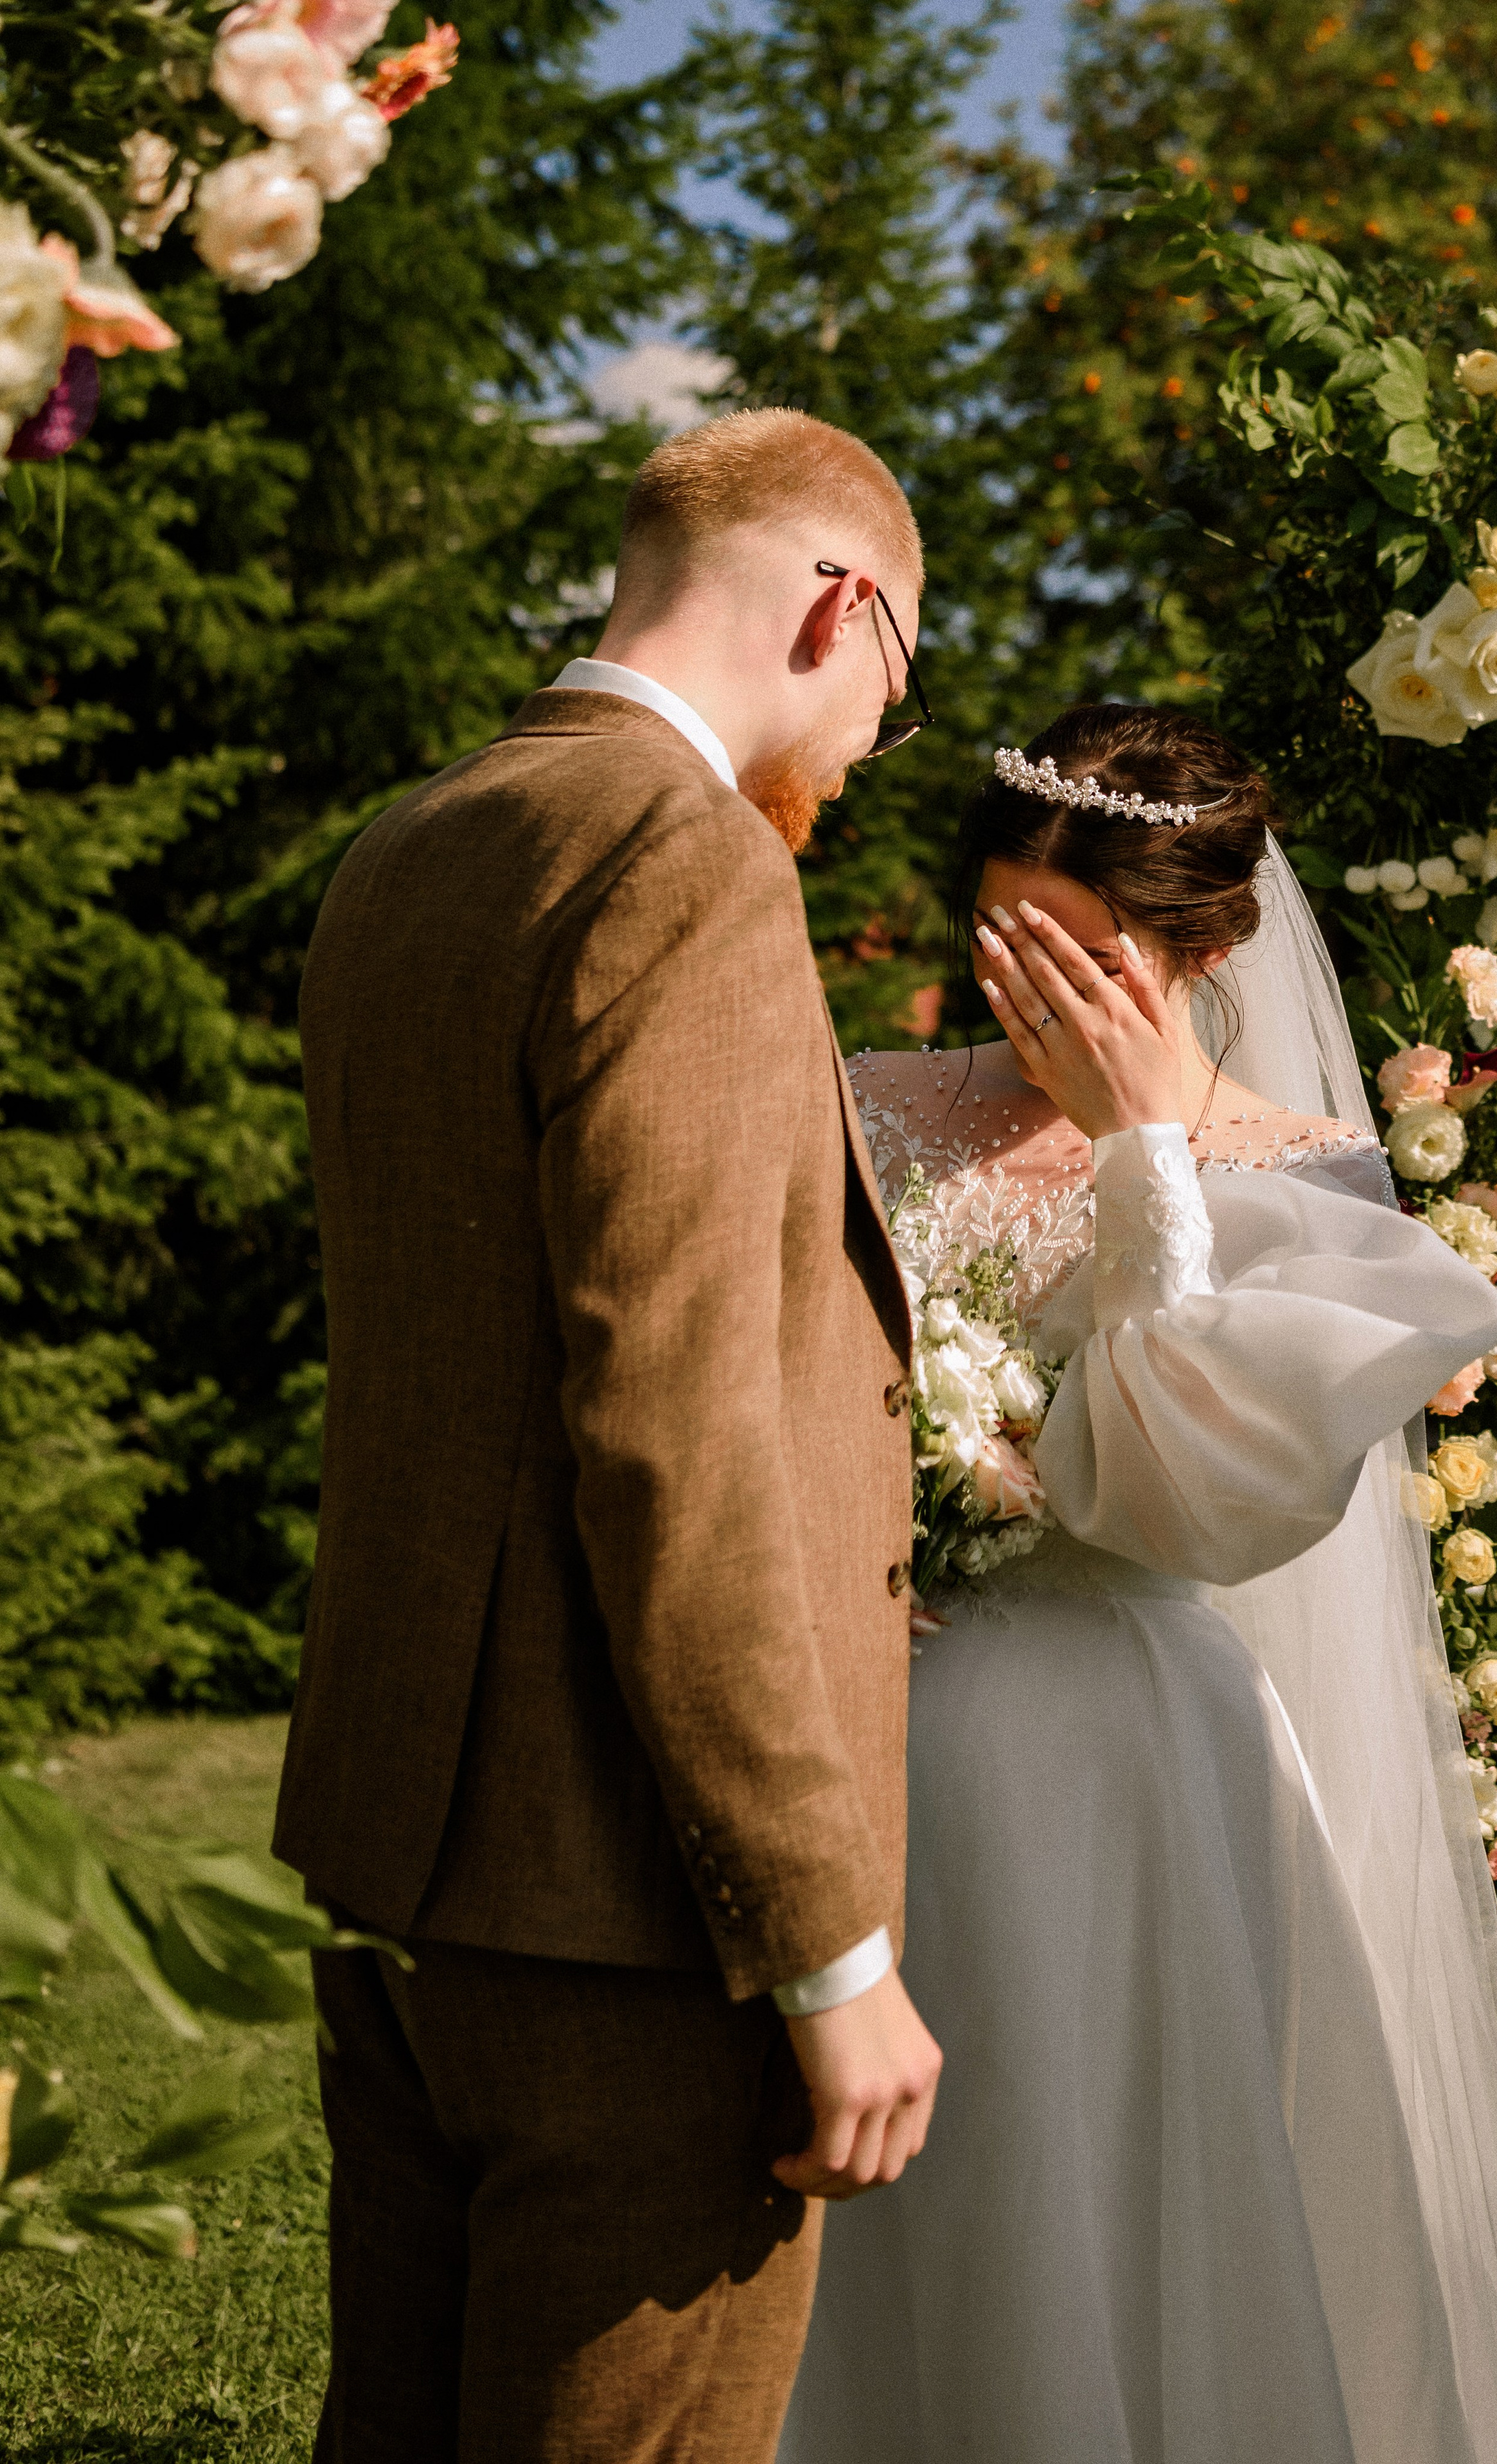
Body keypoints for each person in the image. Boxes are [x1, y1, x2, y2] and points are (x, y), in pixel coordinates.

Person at [780, 700, 1497, 2464]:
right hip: (864, 1741)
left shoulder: (1302, 1170)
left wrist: (1135, 1149)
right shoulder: (865, 1105)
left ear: (1211, 944)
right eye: (1004, 933)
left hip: (1127, 1768)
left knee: (1093, 2170)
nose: (1033, 990)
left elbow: (1187, 1493)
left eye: (1088, 955)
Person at [274, 406, 943, 2464]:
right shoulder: (685, 861)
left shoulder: (417, 845)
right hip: (639, 1914)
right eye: (892, 701)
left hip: (414, 1862)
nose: (857, 765)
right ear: (839, 607)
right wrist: (822, 1937)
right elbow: (679, 1429)